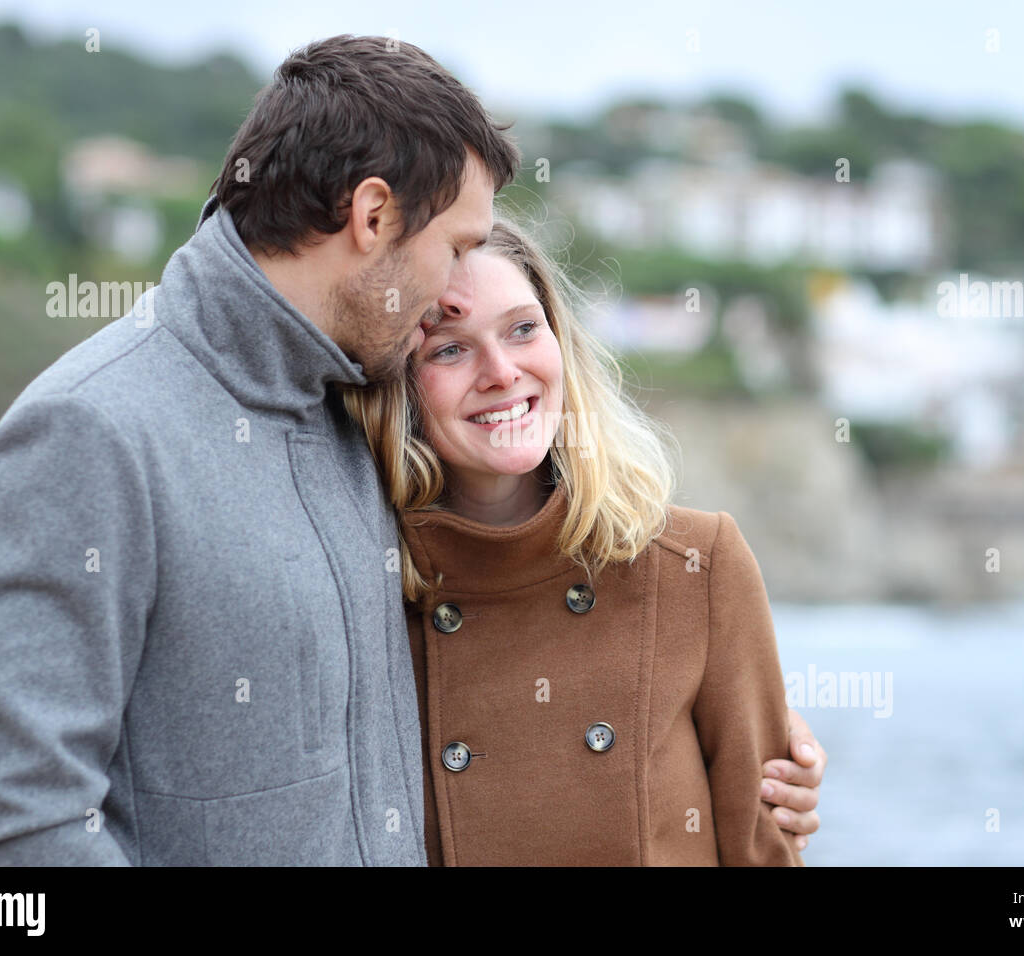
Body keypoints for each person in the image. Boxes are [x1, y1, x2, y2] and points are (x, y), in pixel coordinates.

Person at [0, 35, 822, 866]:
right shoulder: (87, 433)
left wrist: (743, 774)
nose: (459, 283)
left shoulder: (348, 409)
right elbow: (14, 847)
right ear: (371, 214)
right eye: (458, 247)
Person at [341, 216, 816, 864]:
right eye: (449, 349)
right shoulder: (360, 588)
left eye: (522, 329)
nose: (503, 373)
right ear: (397, 384)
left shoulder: (695, 565)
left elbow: (765, 849)